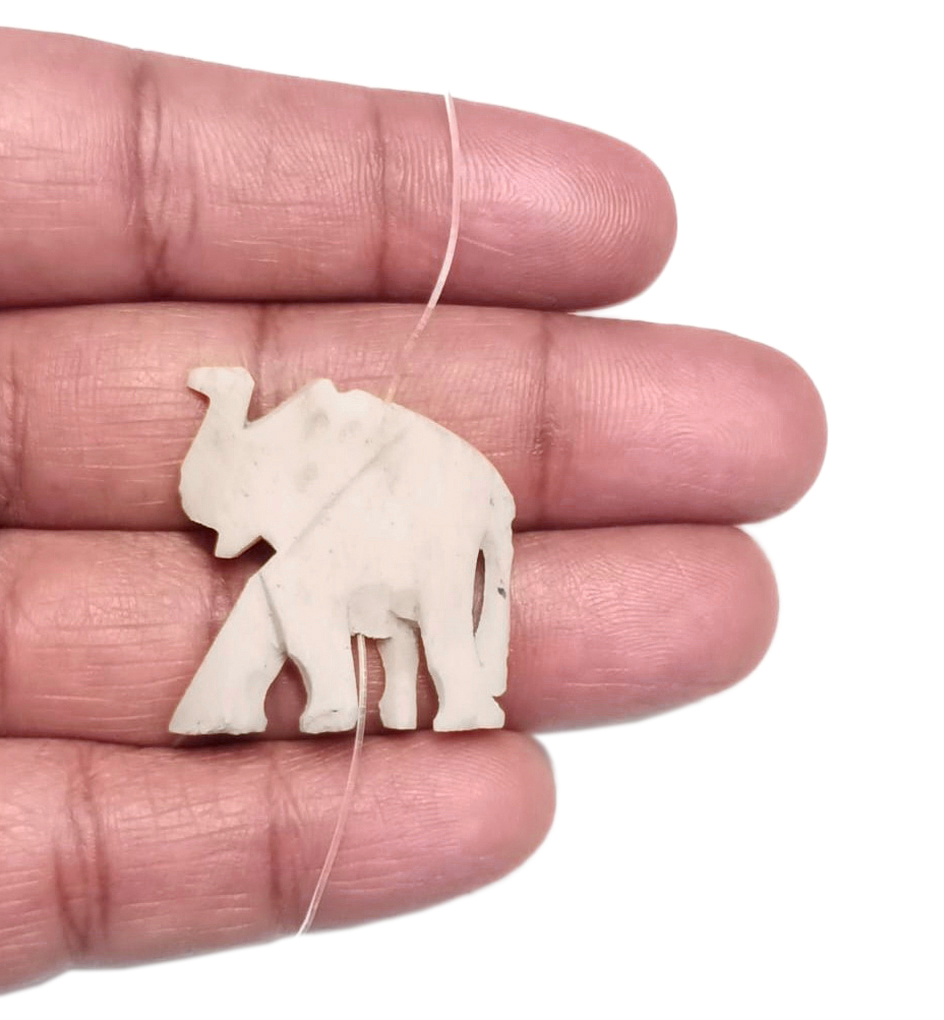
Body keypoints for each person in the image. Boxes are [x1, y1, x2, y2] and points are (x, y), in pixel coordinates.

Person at [0, 28, 825, 991]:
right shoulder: (319, 456)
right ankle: (349, 697)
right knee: (303, 596)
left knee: (319, 598)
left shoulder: (353, 447)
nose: (226, 536)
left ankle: (379, 695)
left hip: (429, 533)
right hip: (402, 539)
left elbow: (396, 540)